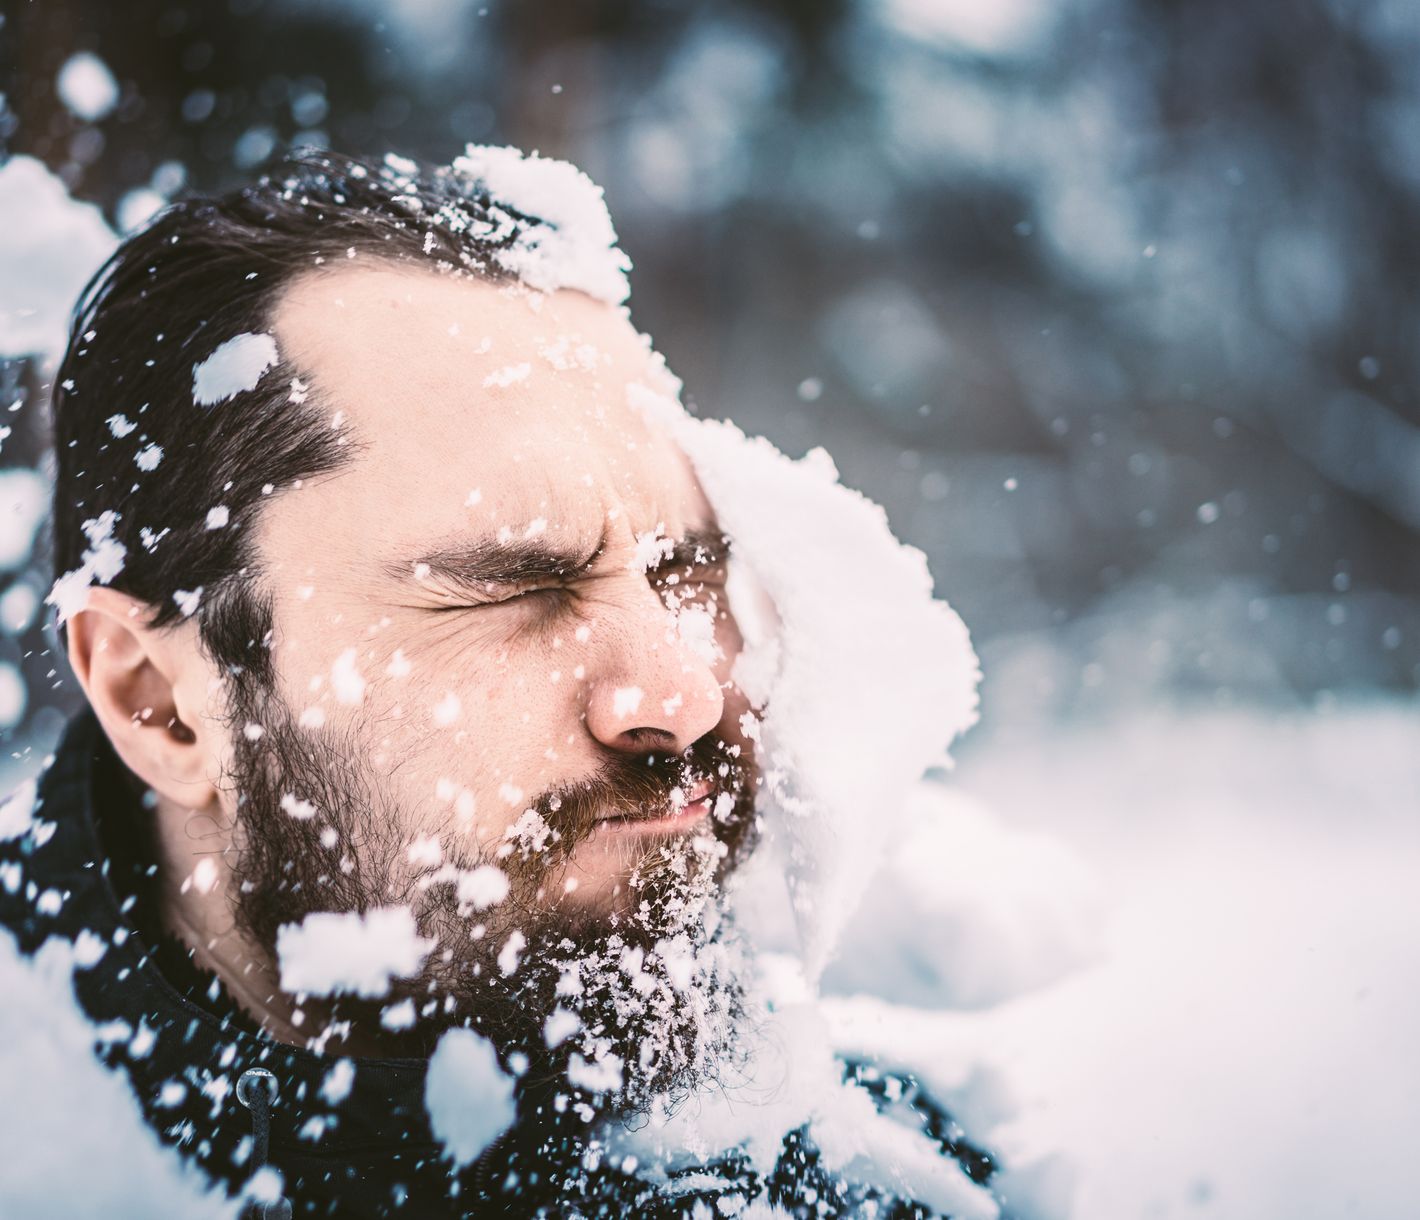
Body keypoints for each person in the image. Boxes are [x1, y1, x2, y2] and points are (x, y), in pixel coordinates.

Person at [0, 149, 1000, 1218]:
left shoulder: (875, 1178)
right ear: (160, 700)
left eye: (686, 571)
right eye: (516, 584)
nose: (683, 695)